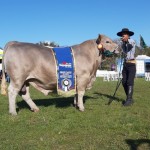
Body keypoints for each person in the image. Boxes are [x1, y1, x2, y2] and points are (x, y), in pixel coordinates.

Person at [117, 28, 136, 106]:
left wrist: (124, 42)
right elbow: (119, 51)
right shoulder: (122, 43)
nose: (122, 36)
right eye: (122, 35)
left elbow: (128, 48)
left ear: (128, 35)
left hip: (131, 64)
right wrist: (110, 51)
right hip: (125, 64)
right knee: (124, 82)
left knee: (129, 82)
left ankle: (129, 100)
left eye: (124, 34)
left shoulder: (132, 41)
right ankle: (129, 97)